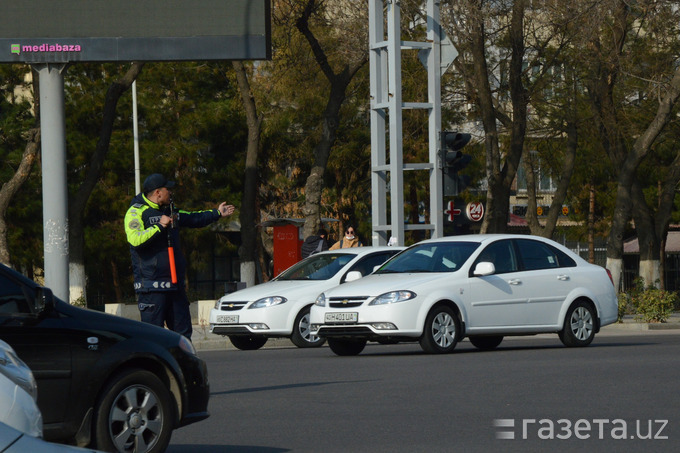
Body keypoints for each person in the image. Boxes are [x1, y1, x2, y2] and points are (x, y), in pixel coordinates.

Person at [124, 173, 235, 340]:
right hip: (152, 288)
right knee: (153, 338)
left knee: (183, 338)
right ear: (158, 192)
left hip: (175, 287)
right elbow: (135, 240)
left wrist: (217, 213)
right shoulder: (136, 212)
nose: (171, 192)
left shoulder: (170, 211)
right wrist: (160, 226)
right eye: (168, 189)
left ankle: (185, 366)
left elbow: (193, 218)